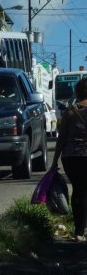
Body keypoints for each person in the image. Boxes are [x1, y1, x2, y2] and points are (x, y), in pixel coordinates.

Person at [52, 77, 87, 242]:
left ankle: (79, 231)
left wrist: (54, 161)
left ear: (77, 92)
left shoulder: (70, 111)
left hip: (71, 157)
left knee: (78, 191)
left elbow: (61, 138)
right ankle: (82, 228)